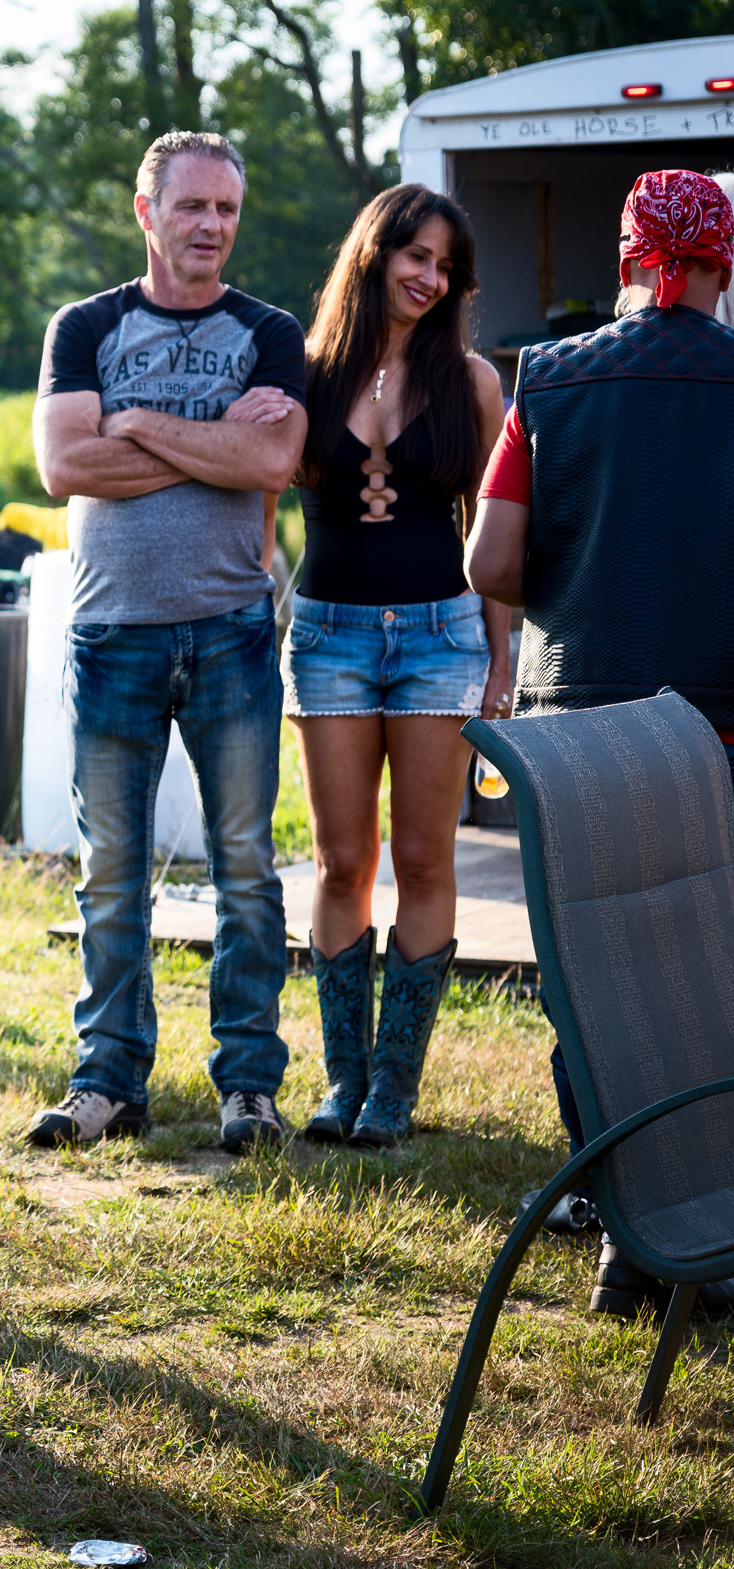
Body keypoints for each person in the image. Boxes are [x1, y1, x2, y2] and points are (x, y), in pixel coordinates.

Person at [465, 167, 734, 1323]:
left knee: (601, 980)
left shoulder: (549, 381)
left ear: (625, 262)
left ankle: (630, 1242)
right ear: (718, 266)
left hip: (582, 729)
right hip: (721, 722)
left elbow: (489, 566)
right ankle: (710, 1234)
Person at [30, 130, 308, 1155]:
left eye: (226, 210)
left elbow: (275, 455)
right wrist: (198, 434)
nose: (210, 227)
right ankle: (106, 1082)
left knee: (245, 865)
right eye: (191, 207)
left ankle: (249, 1087)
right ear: (145, 211)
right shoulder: (86, 324)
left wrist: (134, 428)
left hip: (232, 629)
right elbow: (64, 464)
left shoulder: (269, 330)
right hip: (112, 634)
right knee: (111, 870)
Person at [286, 185, 509, 1149]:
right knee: (344, 859)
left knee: (423, 856)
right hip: (327, 633)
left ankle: (395, 1090)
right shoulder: (302, 372)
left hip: (439, 636)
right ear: (373, 254)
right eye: (412, 255)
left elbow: (497, 538)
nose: (427, 276)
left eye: (444, 265)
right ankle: (343, 1080)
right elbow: (259, 509)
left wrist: (502, 659)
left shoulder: (471, 383)